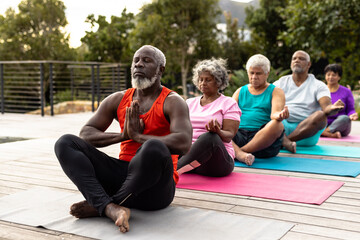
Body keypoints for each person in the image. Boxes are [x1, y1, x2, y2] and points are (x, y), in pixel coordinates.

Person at [54, 45, 192, 233]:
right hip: (124, 177)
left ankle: (102, 205)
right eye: (136, 60)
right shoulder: (118, 99)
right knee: (65, 143)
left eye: (146, 60)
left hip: (156, 189)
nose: (139, 65)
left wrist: (139, 136)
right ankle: (111, 208)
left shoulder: (173, 101)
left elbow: (184, 143)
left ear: (161, 69)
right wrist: (123, 136)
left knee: (153, 147)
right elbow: (86, 133)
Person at [177, 58, 241, 176]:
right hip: (190, 160)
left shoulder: (229, 103)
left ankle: (173, 172)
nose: (203, 83)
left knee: (209, 137)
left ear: (218, 82)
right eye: (201, 80)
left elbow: (229, 136)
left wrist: (218, 132)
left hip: (215, 163)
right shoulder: (189, 103)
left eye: (208, 80)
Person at [273, 50, 344, 151]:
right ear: (291, 63)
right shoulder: (281, 82)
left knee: (321, 115)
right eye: (294, 59)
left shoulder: (319, 85)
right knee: (266, 109)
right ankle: (285, 142)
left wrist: (332, 108)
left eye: (301, 59)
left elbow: (326, 107)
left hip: (307, 134)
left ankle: (284, 142)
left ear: (309, 64)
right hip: (281, 129)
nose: (297, 60)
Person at [231, 54, 289, 166]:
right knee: (217, 125)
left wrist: (280, 115)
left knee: (278, 125)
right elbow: (228, 115)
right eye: (251, 73)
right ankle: (239, 153)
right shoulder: (240, 91)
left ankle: (238, 152)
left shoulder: (276, 91)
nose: (254, 77)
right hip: (239, 135)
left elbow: (274, 115)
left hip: (263, 142)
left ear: (267, 74)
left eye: (258, 73)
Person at [321, 64, 358, 138]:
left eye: (334, 75)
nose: (330, 77)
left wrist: (352, 115)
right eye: (328, 75)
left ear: (339, 77)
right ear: (325, 76)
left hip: (341, 125)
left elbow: (351, 110)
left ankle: (325, 132)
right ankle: (330, 134)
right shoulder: (320, 90)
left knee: (345, 118)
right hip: (323, 123)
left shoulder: (346, 91)